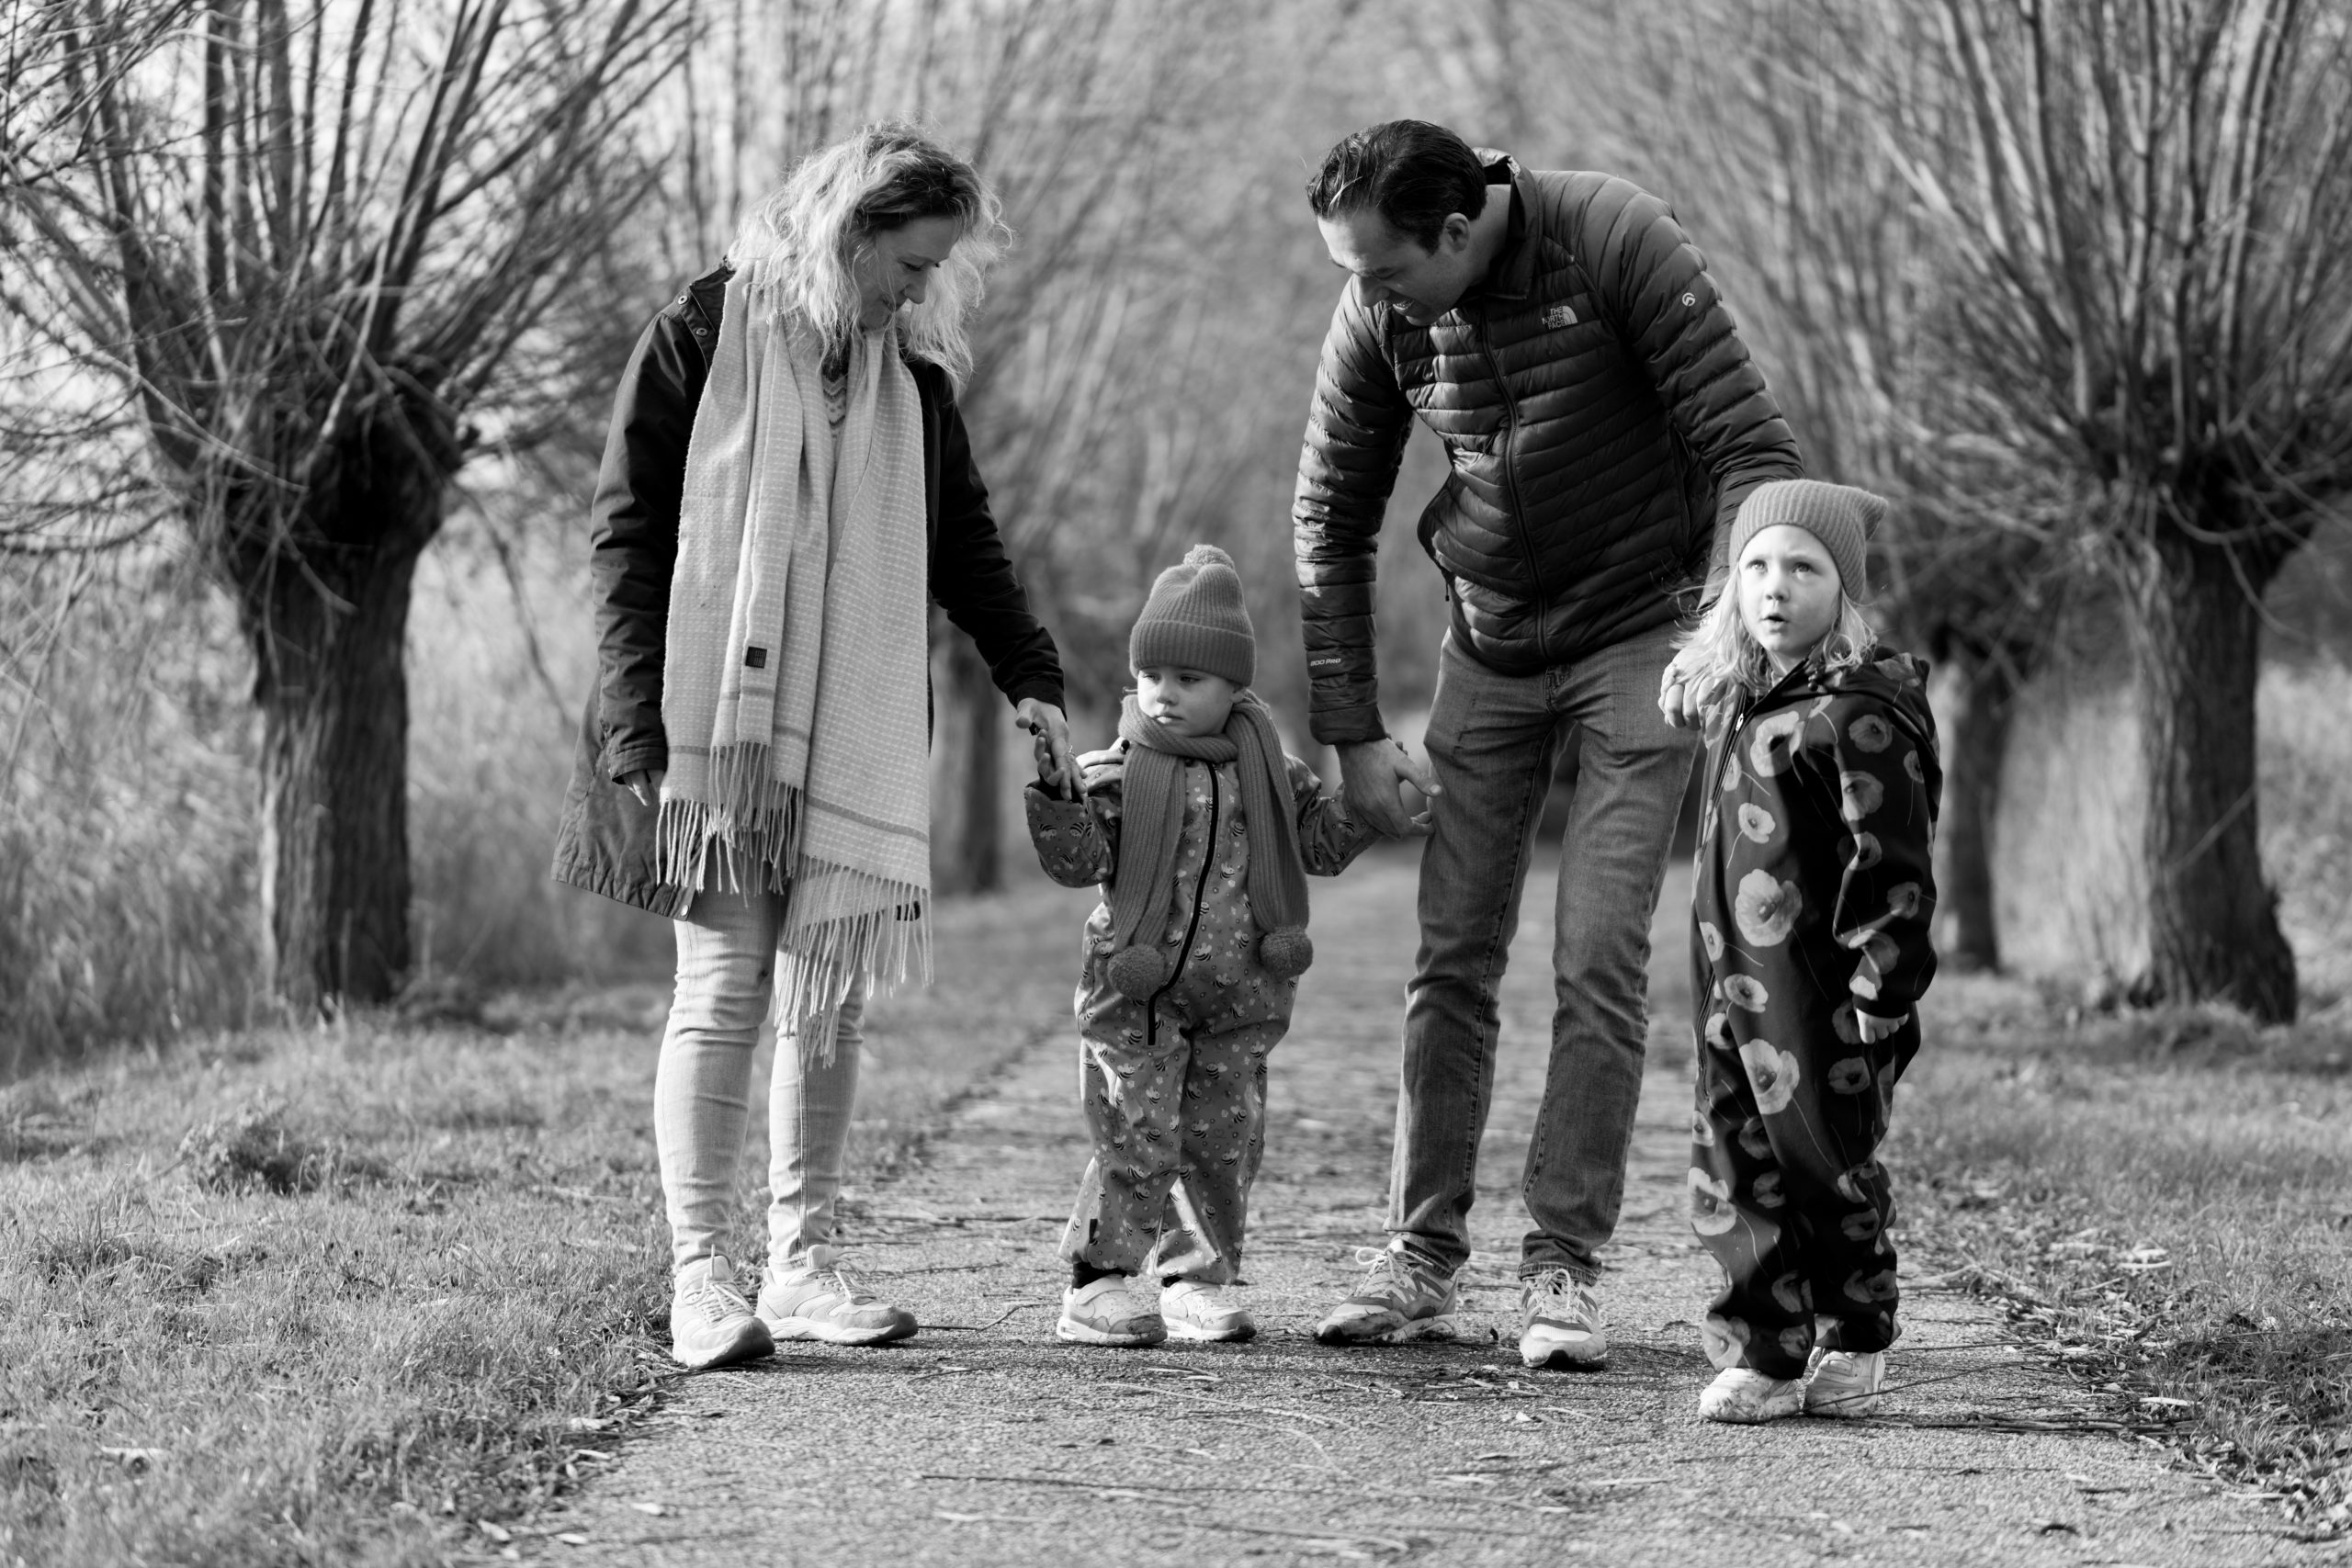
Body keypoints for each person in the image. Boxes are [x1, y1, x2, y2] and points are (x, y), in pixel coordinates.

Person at [550, 123, 1075, 1371]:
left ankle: (801, 1260)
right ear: (847, 232)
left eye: (932, 269)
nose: (917, 290)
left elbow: (967, 545)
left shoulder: (914, 385)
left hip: (851, 728)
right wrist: (637, 720)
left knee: (826, 993)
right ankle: (701, 1278)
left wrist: (1032, 677)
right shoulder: (698, 335)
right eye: (907, 263)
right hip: (707, 729)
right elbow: (627, 531)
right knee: (727, 983)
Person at [1293, 119, 1806, 1364]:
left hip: (1644, 636)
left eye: (1383, 269)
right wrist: (1355, 730)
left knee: (1597, 952)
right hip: (1492, 642)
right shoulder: (1381, 313)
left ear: (1458, 232)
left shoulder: (1613, 238)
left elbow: (1753, 450)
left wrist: (1718, 637)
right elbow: (1329, 515)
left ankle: (1564, 1267)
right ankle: (1420, 1251)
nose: (1364, 297)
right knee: (1453, 951)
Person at [1023, 545, 1374, 1347]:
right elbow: (1077, 861)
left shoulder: (1274, 775)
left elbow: (1317, 841)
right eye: (1154, 676)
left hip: (1241, 998)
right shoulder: (1116, 773)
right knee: (1137, 1133)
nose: (1165, 694)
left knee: (1223, 1139)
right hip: (1137, 997)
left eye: (1190, 679)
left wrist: (1368, 811)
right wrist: (1055, 797)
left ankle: (1195, 1278)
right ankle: (1098, 1281)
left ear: (1233, 686)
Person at [1676, 479, 1940, 1422]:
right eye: (1754, 567)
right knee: (1731, 1166)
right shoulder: (1753, 697)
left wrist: (1885, 982)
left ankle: (1856, 1329)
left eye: (1802, 566)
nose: (1773, 586)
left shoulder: (1860, 712)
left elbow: (1893, 861)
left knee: (1823, 1163)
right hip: (1729, 986)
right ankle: (1763, 1353)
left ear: (1845, 589)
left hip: (1825, 991)